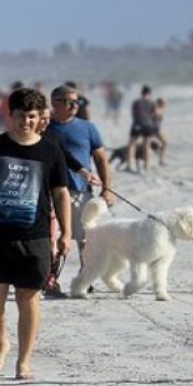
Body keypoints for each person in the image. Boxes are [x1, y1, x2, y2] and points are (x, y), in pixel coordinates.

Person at [0, 88, 72, 381]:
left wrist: (66, 233)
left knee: (28, 298)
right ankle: (2, 340)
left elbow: (61, 193)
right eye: (20, 116)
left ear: (39, 117)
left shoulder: (50, 151)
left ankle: (24, 361)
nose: (26, 122)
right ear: (11, 115)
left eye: (32, 116)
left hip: (35, 237)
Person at [44, 85, 115, 290]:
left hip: (80, 191)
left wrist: (107, 189)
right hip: (47, 192)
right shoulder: (43, 127)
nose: (75, 105)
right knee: (51, 238)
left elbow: (101, 160)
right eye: (69, 101)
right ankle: (50, 278)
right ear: (55, 102)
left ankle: (86, 277)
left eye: (78, 102)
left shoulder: (87, 128)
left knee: (85, 238)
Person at [125, 85, 158, 173]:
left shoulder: (136, 102)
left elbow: (133, 114)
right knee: (146, 146)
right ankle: (146, 166)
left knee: (132, 144)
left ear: (141, 92)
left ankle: (129, 165)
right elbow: (155, 115)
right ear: (149, 93)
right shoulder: (152, 103)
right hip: (148, 125)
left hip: (137, 124)